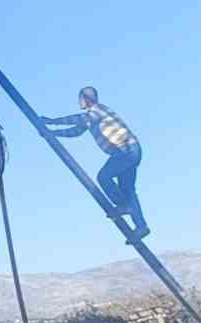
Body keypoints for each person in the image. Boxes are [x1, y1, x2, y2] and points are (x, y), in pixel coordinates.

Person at [42, 87, 148, 239]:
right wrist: (52, 134)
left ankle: (124, 206)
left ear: (87, 99)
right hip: (130, 151)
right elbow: (76, 131)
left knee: (103, 177)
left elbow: (78, 119)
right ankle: (141, 227)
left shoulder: (98, 110)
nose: (79, 103)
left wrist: (51, 122)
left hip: (125, 150)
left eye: (80, 99)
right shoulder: (92, 117)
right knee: (128, 190)